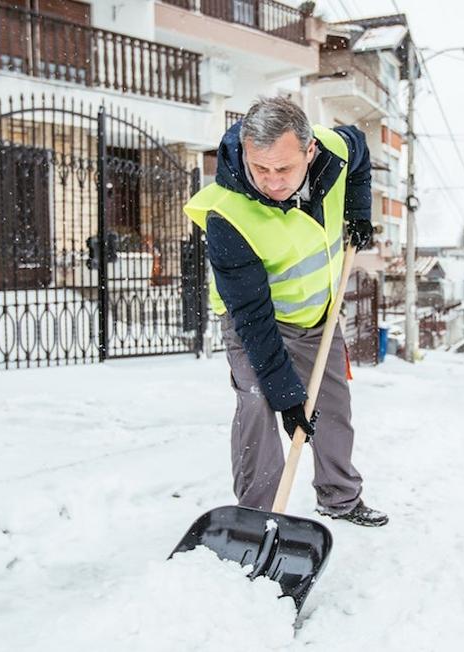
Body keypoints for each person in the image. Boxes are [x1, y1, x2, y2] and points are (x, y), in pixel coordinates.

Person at [183, 96, 388, 527]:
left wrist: (358, 209)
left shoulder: (334, 147)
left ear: (309, 152)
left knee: (332, 405)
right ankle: (257, 517)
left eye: (285, 169)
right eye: (261, 169)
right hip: (254, 322)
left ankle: (341, 498)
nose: (273, 182)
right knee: (259, 405)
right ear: (244, 152)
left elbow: (361, 152)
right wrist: (287, 396)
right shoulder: (226, 213)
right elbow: (252, 316)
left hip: (318, 314)